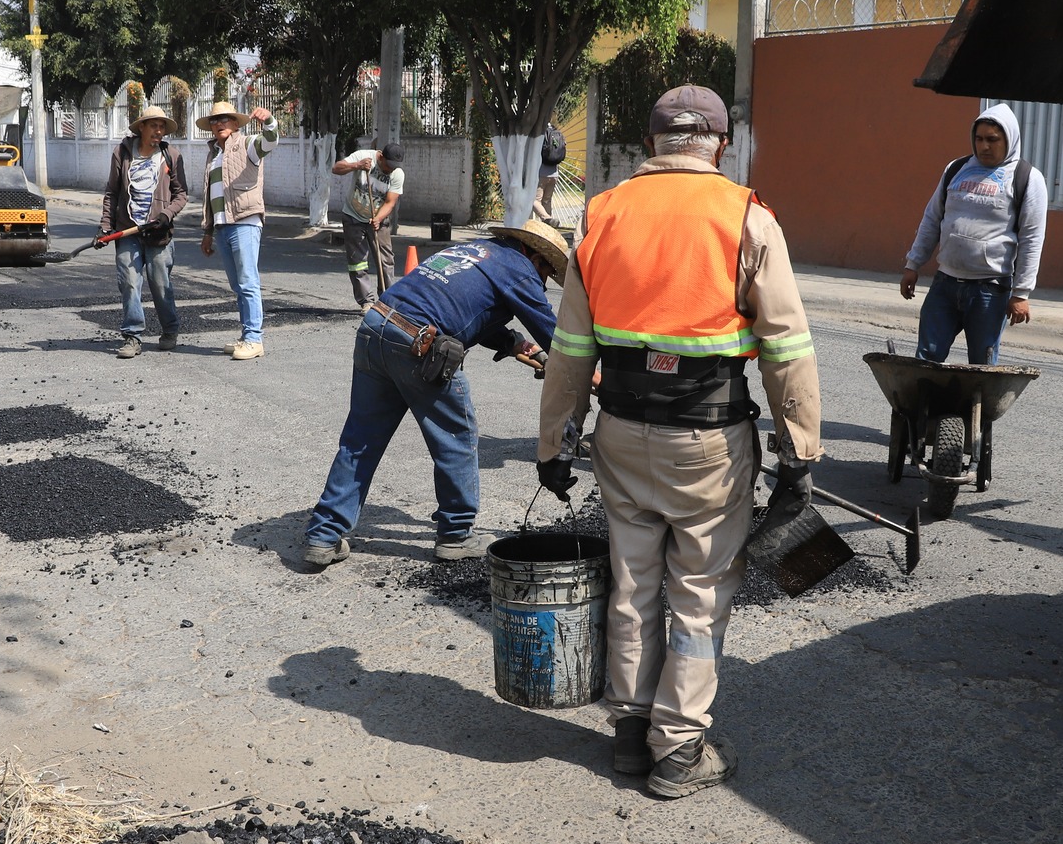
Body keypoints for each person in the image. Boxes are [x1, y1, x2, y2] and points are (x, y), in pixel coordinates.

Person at [536, 85, 821, 800]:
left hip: (622, 433)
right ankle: (680, 748)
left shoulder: (601, 214)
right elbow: (787, 347)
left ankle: (630, 731)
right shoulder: (746, 216)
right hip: (709, 442)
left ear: (652, 142)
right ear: (719, 144)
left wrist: (552, 442)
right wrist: (801, 451)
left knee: (633, 581)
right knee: (697, 591)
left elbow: (570, 347)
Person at [306, 218, 566, 567]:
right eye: (547, 274)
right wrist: (591, 376)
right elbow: (557, 337)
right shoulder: (521, 269)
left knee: (360, 440)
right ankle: (456, 534)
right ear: (537, 258)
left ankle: (323, 535)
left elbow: (470, 309)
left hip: (376, 326)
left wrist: (522, 347)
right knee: (457, 437)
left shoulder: (474, 252)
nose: (544, 282)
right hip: (418, 345)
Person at [898, 105, 1048, 365]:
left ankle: (978, 409)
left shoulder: (1026, 178)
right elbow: (932, 219)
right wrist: (913, 264)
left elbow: (1032, 238)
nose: (984, 147)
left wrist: (1021, 293)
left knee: (981, 367)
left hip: (989, 290)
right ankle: (924, 407)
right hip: (945, 284)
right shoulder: (956, 169)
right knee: (926, 360)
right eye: (979, 139)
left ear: (1009, 140)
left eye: (992, 140)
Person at [101, 104, 189, 358]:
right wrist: (105, 226)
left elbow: (181, 195)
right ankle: (132, 336)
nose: (159, 131)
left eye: (162, 127)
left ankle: (170, 329)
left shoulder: (171, 155)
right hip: (128, 230)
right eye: (154, 126)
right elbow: (112, 192)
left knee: (160, 284)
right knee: (128, 281)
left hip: (158, 233)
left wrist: (166, 215)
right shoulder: (123, 153)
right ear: (142, 127)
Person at [196, 100, 278, 360]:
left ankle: (255, 339)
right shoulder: (214, 155)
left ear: (235, 123)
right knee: (237, 284)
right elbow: (211, 196)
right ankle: (246, 336)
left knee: (247, 282)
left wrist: (269, 121)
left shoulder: (247, 144)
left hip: (245, 221)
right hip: (222, 225)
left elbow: (271, 141)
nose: (219, 124)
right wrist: (208, 232)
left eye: (224, 119)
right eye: (214, 120)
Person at [332, 142, 403, 306]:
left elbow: (390, 202)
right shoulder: (364, 156)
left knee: (385, 260)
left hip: (379, 219)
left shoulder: (397, 173)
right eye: (388, 165)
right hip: (353, 216)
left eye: (394, 167)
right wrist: (357, 165)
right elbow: (336, 168)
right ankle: (366, 301)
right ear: (381, 157)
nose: (390, 170)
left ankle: (387, 301)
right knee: (358, 261)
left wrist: (378, 218)